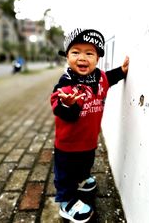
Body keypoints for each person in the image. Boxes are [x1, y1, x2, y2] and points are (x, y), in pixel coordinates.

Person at [50, 28, 129, 223]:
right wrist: (67, 104)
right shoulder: (66, 85)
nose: (82, 58)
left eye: (89, 53)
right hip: (67, 145)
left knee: (85, 164)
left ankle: (82, 178)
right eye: (75, 52)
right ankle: (66, 201)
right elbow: (58, 107)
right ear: (67, 56)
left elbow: (109, 78)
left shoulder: (100, 77)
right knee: (66, 175)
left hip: (89, 141)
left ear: (98, 57)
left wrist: (122, 71)